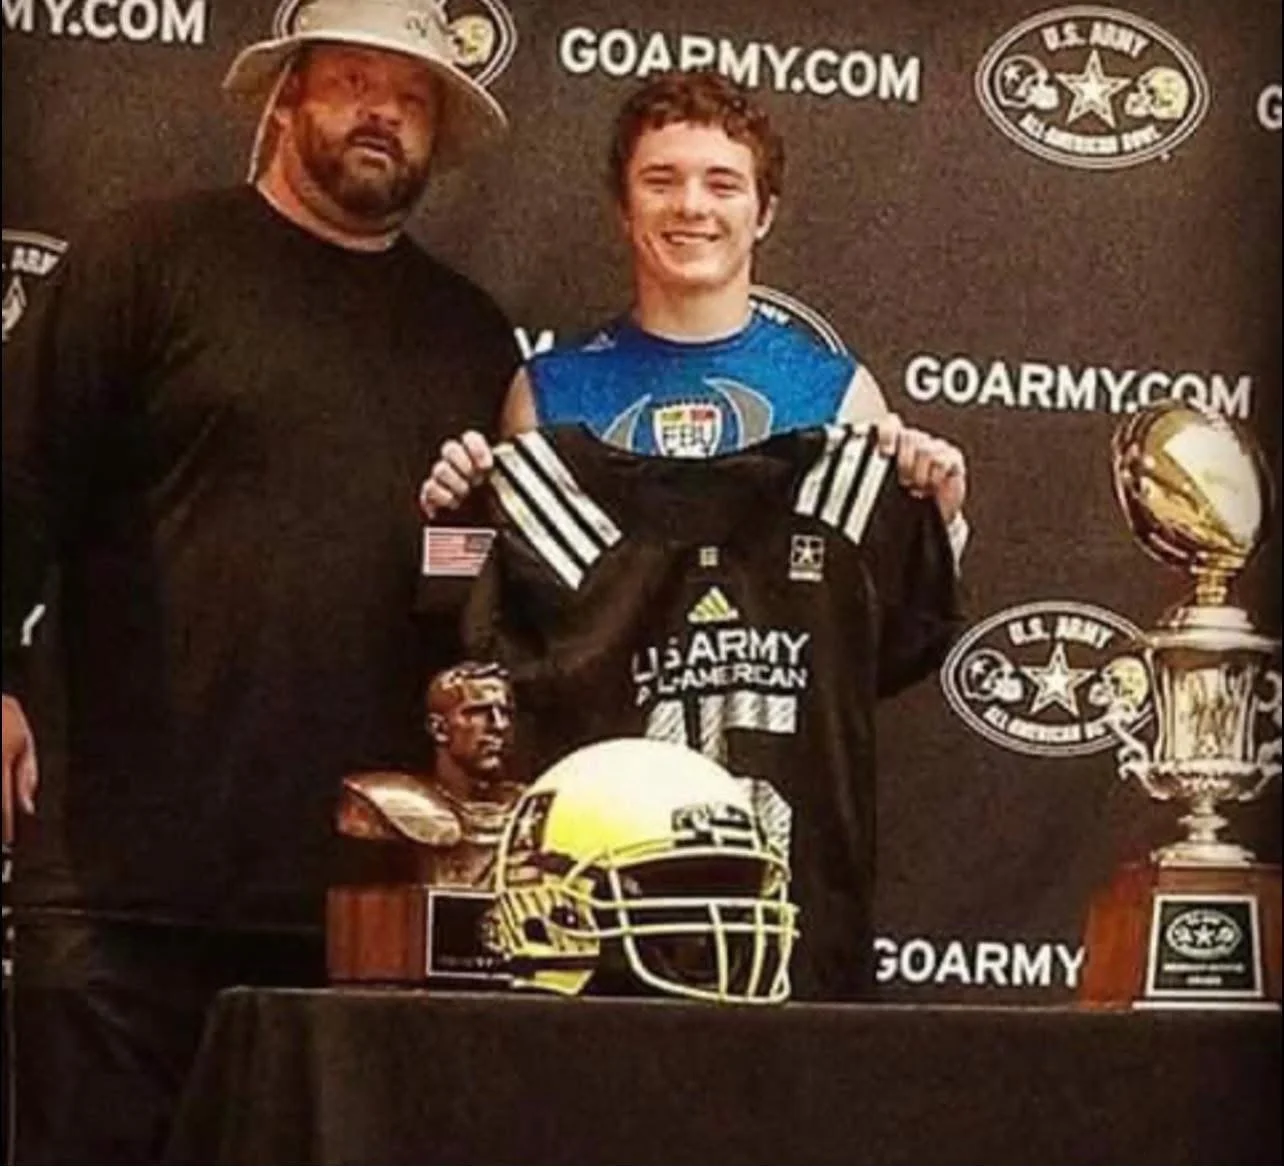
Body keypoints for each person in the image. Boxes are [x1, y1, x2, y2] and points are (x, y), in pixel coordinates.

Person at [0, 0, 518, 1160]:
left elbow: (475, 610)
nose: (383, 111)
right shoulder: (142, 262)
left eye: (413, 94)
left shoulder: (472, 337)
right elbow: (15, 478)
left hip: (357, 911)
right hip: (117, 887)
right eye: (352, 79)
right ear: (287, 94)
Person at [419, 68, 969, 547]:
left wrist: (934, 521)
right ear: (623, 208)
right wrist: (460, 515)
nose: (690, 205)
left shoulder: (840, 395)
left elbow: (880, 621)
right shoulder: (545, 392)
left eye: (723, 184)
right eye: (660, 181)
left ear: (764, 215)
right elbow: (517, 618)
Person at [336, 661, 523, 889]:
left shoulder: (536, 810)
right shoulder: (386, 803)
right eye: (477, 713)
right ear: (439, 729)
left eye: (505, 713)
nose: (499, 725)